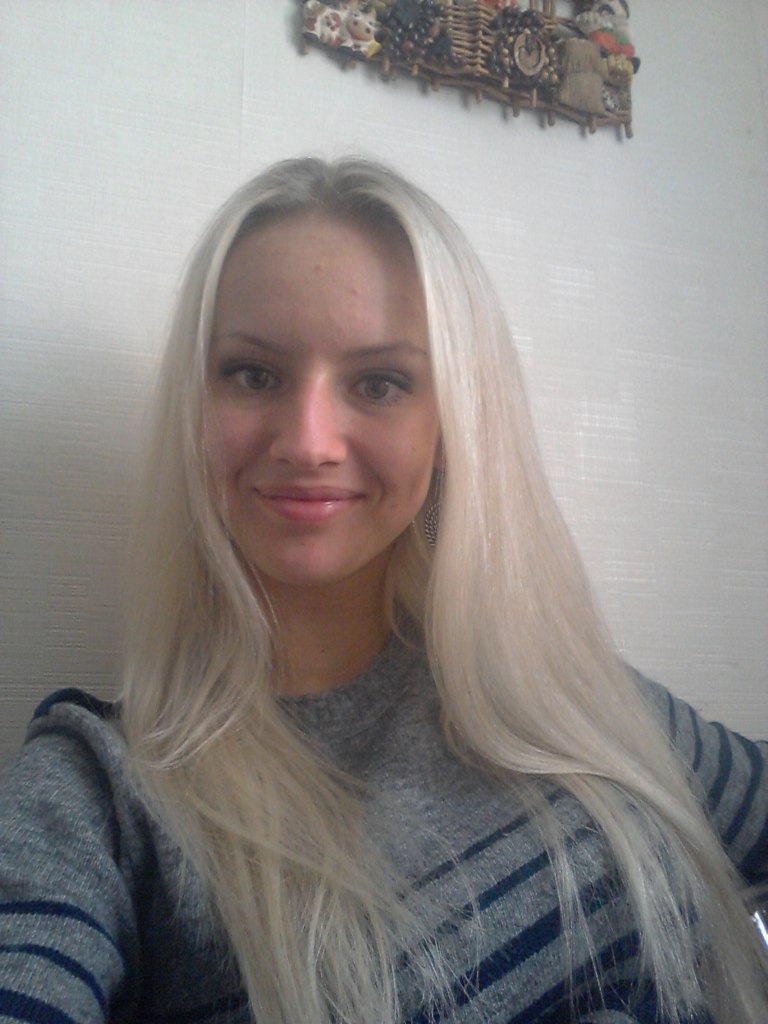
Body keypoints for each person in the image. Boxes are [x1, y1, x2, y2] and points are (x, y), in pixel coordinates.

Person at [0, 157, 766, 1024]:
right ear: (193, 405)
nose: (309, 441)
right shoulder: (98, 799)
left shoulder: (566, 696)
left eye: (380, 383)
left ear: (451, 426)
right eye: (253, 374)